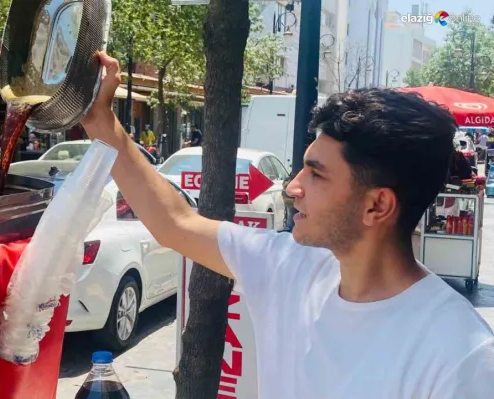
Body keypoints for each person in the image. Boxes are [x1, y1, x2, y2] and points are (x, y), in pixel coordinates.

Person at [80, 53, 494, 398]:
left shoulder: (460, 352)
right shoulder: (290, 269)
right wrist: (101, 121)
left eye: (316, 174)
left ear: (377, 206)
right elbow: (175, 222)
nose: (292, 187)